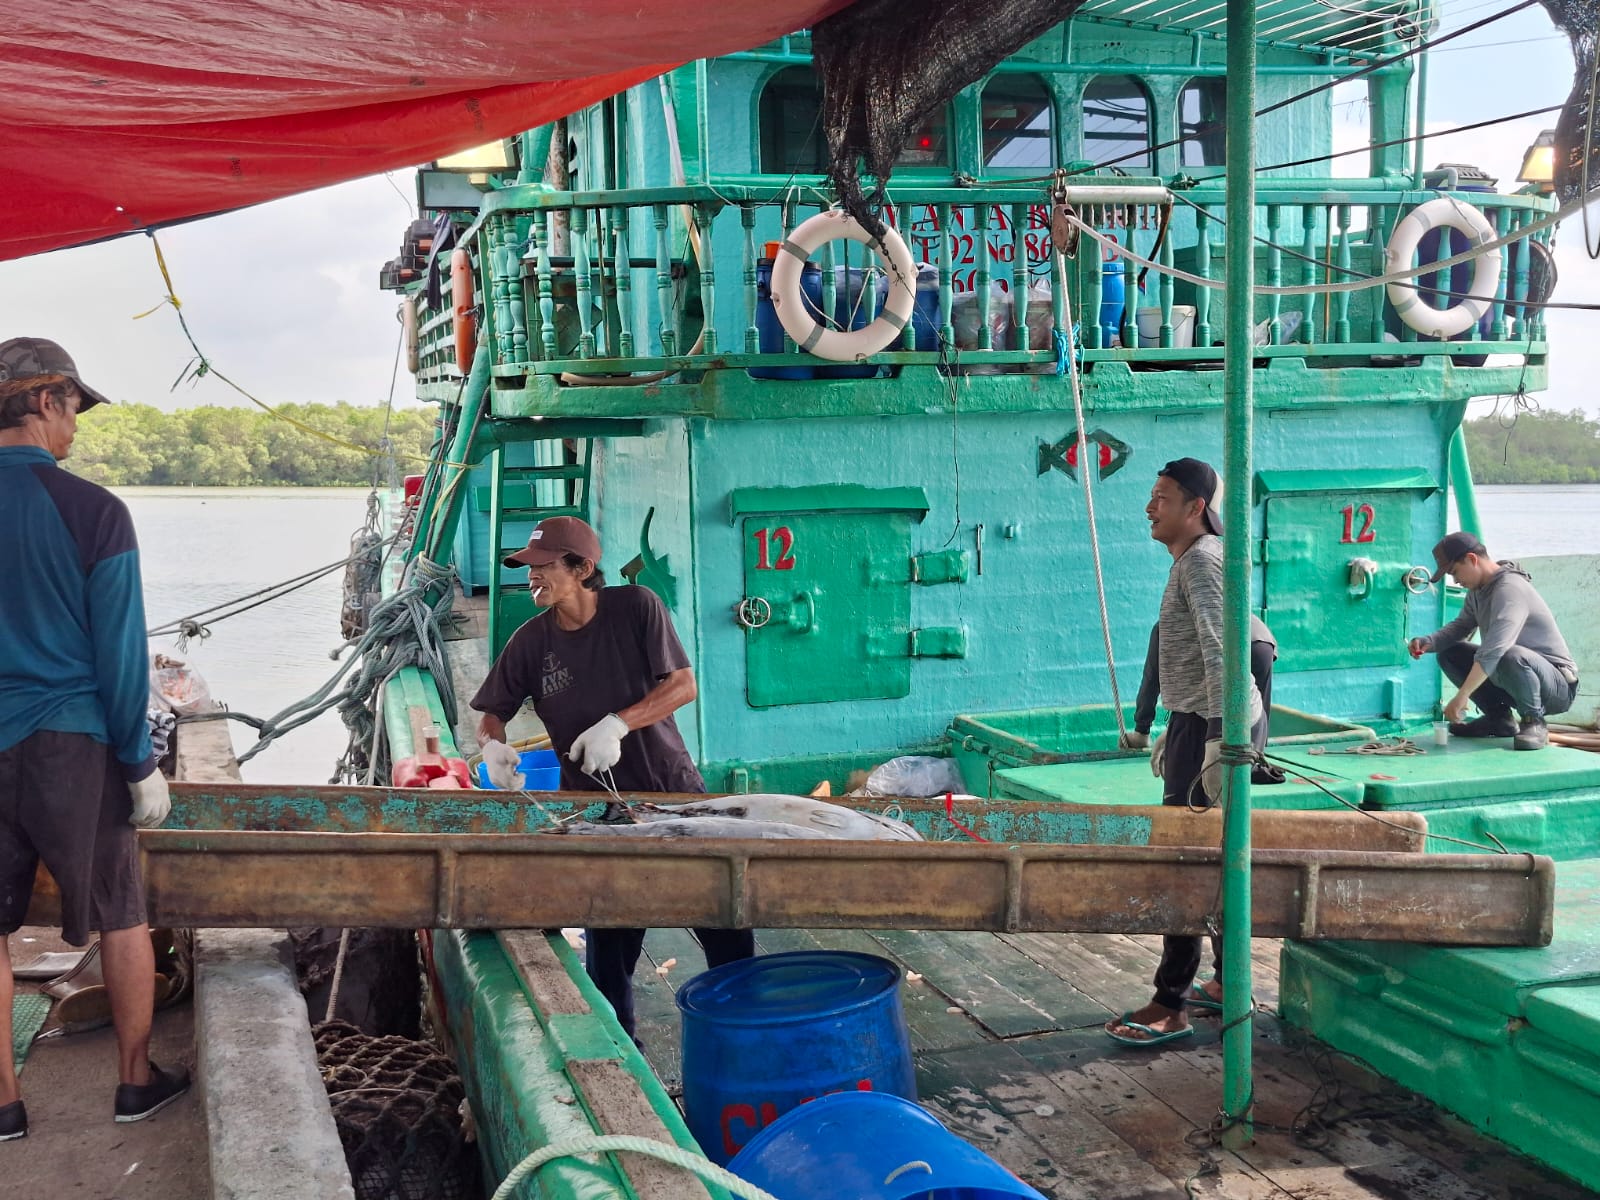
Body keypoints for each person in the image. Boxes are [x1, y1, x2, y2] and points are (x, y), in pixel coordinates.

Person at [0, 337, 190, 1141]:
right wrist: (140, 762)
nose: (77, 427)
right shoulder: (95, 510)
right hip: (74, 742)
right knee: (121, 910)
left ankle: (4, 1106)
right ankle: (135, 1082)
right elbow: (120, 659)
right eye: (74, 408)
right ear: (46, 402)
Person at [470, 516, 754, 1041]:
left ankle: (746, 1034)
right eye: (526, 568)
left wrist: (619, 723)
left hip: (669, 792)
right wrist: (492, 745)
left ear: (581, 568)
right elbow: (491, 709)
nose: (530, 577)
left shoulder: (636, 607)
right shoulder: (531, 641)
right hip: (594, 811)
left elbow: (683, 685)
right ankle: (623, 1049)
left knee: (724, 925)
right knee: (610, 948)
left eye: (542, 567)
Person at [1106, 457, 1265, 1049]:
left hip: (1215, 727)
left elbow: (1226, 651)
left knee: (1189, 861)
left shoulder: (1202, 563)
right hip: (1196, 722)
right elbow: (1177, 649)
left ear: (1195, 507)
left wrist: (1222, 742)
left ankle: (1170, 1004)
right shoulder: (1189, 563)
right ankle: (1226, 984)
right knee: (1214, 859)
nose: (1151, 507)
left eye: (1162, 496)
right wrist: (1167, 725)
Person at [1408, 531, 1577, 751]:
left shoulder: (1510, 589)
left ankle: (1533, 722)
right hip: (1514, 675)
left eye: (1455, 572)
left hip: (1556, 687)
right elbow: (1461, 626)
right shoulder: (1478, 591)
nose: (1456, 581)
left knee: (1508, 654)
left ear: (1472, 559)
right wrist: (1429, 641)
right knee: (1450, 654)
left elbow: (1496, 649)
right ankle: (1499, 719)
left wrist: (1462, 696)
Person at [1122, 616, 1283, 785]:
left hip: (1234, 641)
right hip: (1261, 640)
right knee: (1255, 705)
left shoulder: (1165, 627)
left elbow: (1151, 681)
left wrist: (1141, 731)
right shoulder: (1204, 608)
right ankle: (1256, 758)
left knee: (1207, 701)